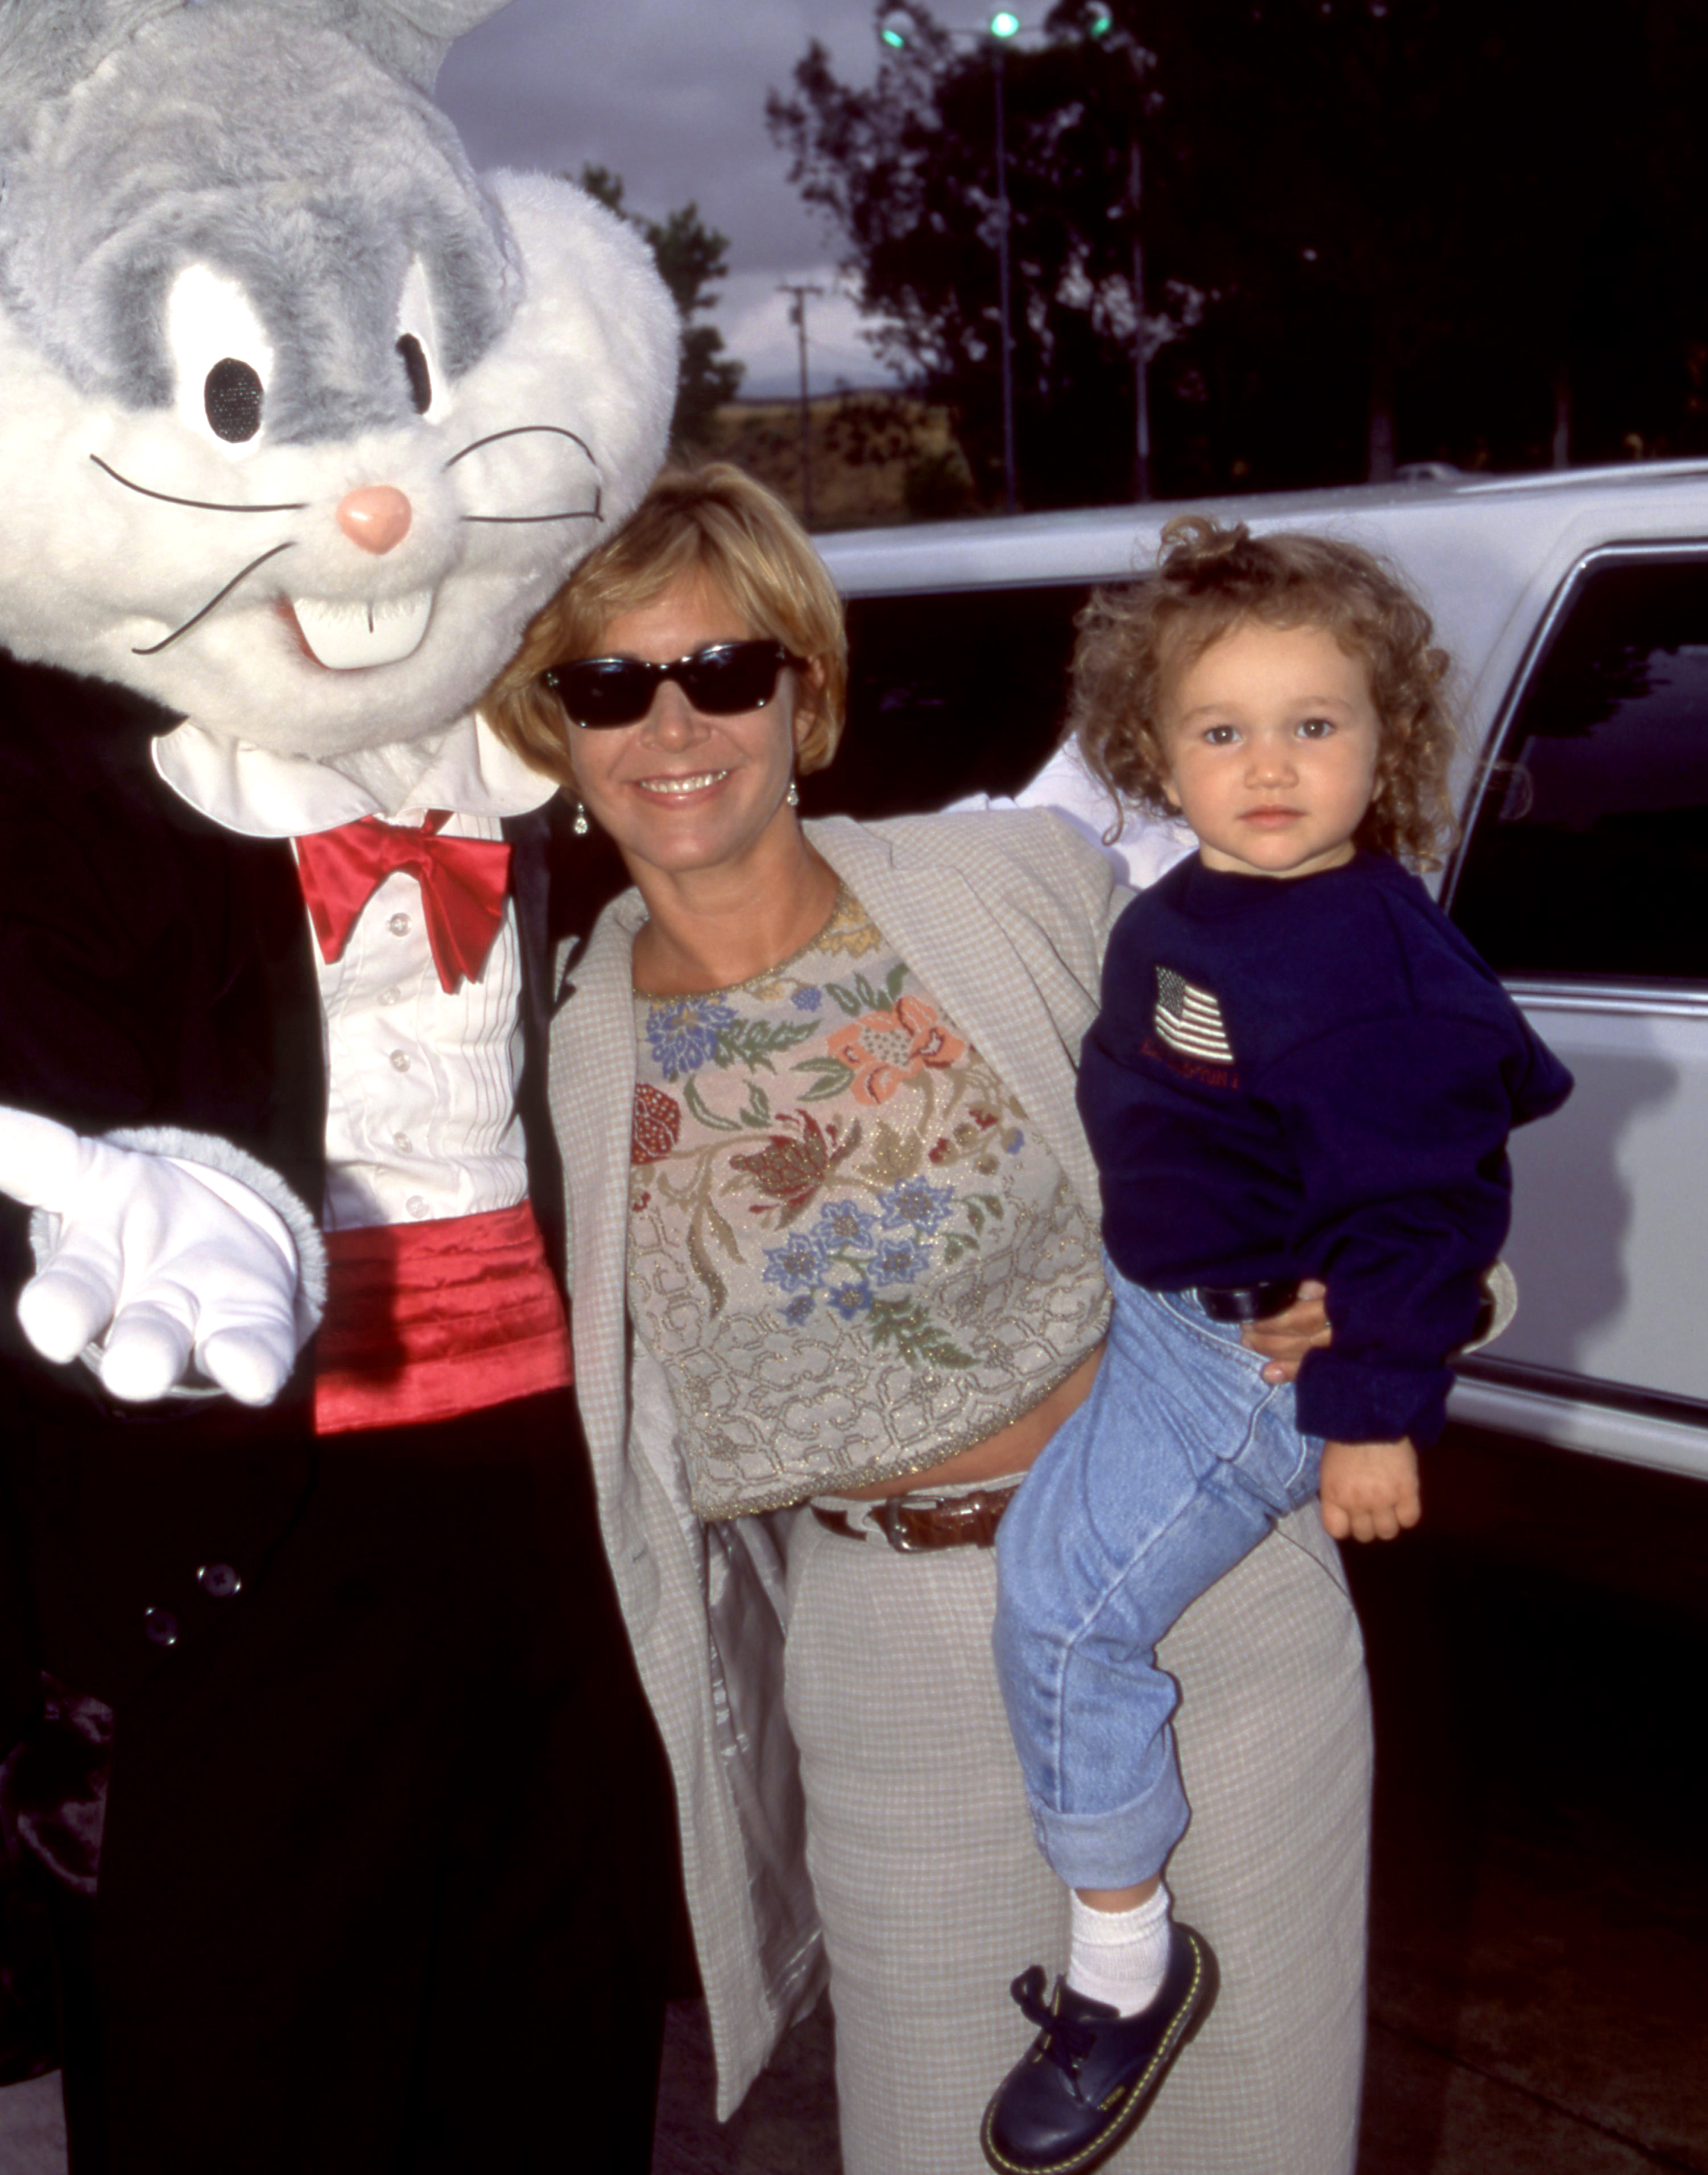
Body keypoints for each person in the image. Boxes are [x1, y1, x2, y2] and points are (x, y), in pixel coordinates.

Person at [483, 467, 1373, 2175]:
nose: (672, 724)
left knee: (1250, 2138)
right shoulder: (564, 1053)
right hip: (890, 1654)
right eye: (607, 683)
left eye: (724, 670)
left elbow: (1321, 1067)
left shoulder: (1006, 888)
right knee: (947, 2143)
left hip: (1201, 1606)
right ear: (556, 730)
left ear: (801, 696)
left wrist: (1388, 1284)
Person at [979, 517, 1572, 2175]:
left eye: (1314, 724)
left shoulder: (1366, 969)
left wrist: (1370, 1414)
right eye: (1220, 730)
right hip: (1165, 1319)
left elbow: (1419, 1213)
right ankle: (1107, 1924)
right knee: (1041, 1577)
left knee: (1063, 1621)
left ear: (1387, 741)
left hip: (1264, 1372)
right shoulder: (1204, 900)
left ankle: (1122, 1975)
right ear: (1145, 752)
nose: (1267, 765)